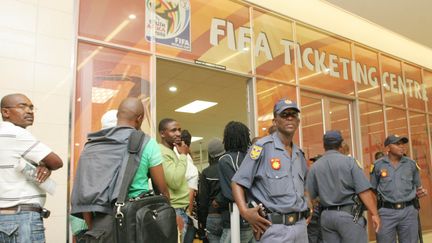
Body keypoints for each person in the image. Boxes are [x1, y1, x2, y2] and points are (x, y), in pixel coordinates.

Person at [71, 97, 169, 243]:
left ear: (118, 116)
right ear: (140, 118)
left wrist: (95, 228)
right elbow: (162, 191)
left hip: (101, 226)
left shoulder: (92, 145)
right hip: (137, 222)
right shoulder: (147, 143)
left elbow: (84, 194)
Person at [231, 98, 309, 243]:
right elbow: (237, 182)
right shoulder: (262, 148)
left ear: (298, 121)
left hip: (300, 228)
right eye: (284, 115)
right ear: (275, 121)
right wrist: (245, 212)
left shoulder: (299, 153)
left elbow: (305, 186)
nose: (290, 118)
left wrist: (308, 207)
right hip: (274, 229)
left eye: (293, 114)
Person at [0, 93, 63, 242]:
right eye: (22, 106)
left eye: (31, 107)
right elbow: (56, 162)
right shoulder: (16, 133)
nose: (29, 111)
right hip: (21, 219)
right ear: (5, 112)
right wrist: (45, 165)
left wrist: (42, 164)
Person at [306, 130, 380, 243]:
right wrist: (374, 214)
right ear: (341, 144)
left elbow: (310, 195)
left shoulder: (315, 166)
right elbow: (364, 191)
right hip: (349, 216)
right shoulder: (350, 162)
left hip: (326, 217)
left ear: (324, 145)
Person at [370, 134, 427, 243]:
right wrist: (375, 214)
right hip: (386, 213)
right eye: (397, 144)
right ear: (388, 148)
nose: (402, 146)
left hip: (408, 212)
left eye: (403, 144)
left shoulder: (411, 164)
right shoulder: (378, 165)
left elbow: (418, 187)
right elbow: (372, 191)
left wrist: (422, 191)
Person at [218, 121, 254, 243]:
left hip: (236, 218)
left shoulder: (225, 159)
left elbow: (230, 193)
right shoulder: (252, 157)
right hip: (256, 217)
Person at [158, 118, 190, 242]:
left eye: (179, 130)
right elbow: (175, 182)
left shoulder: (171, 152)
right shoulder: (162, 152)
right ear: (162, 133)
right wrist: (183, 155)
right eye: (173, 130)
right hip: (174, 210)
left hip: (180, 210)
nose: (178, 133)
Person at [198, 138, 225, 243]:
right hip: (229, 215)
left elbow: (203, 201)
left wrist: (203, 223)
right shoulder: (229, 169)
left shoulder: (206, 172)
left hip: (213, 216)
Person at [178, 130, 199, 243]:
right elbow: (190, 195)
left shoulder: (169, 159)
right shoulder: (191, 167)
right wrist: (189, 215)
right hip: (182, 211)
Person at [307, 155, 322, 243]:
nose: (313, 164)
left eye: (315, 162)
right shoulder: (311, 175)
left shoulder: (314, 175)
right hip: (315, 211)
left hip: (319, 210)